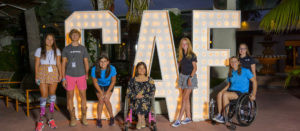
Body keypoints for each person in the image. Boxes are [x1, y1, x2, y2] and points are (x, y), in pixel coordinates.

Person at [212, 56, 257, 123]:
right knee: (220, 94)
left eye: (235, 61)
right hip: (232, 91)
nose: (233, 63)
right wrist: (222, 91)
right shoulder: (231, 72)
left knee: (225, 95)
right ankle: (220, 115)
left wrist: (253, 94)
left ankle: (225, 117)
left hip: (241, 93)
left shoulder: (245, 71)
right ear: (230, 63)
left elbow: (254, 81)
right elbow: (229, 84)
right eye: (231, 62)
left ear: (238, 62)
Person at [61, 29, 89, 126]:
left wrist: (87, 73)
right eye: (73, 35)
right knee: (70, 97)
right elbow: (63, 64)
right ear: (70, 36)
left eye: (76, 35)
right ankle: (72, 118)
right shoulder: (66, 49)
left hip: (81, 75)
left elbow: (86, 62)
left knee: (83, 96)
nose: (75, 36)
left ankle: (84, 117)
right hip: (69, 76)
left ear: (79, 36)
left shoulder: (83, 48)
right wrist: (63, 78)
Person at [35, 34, 62, 131]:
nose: (50, 41)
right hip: (42, 71)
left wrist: (60, 74)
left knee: (52, 95)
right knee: (44, 95)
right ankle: (40, 121)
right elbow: (37, 63)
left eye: (52, 39)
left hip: (54, 71)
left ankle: (51, 119)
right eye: (48, 39)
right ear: (45, 40)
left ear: (54, 41)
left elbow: (59, 63)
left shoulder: (57, 50)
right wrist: (36, 76)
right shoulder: (39, 50)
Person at [172, 37, 198, 127]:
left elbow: (195, 68)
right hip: (183, 77)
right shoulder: (181, 54)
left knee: (183, 98)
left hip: (190, 78)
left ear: (188, 44)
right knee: (186, 99)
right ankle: (188, 117)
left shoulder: (192, 55)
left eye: (186, 43)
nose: (184, 45)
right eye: (182, 43)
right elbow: (179, 64)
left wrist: (190, 78)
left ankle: (179, 120)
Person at [127, 62, 156, 129]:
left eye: (143, 68)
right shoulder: (132, 80)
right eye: (140, 68)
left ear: (146, 69)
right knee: (138, 99)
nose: (142, 69)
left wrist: (144, 96)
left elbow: (153, 91)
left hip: (146, 101)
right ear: (137, 70)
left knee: (142, 99)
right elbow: (128, 91)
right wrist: (135, 96)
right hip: (135, 101)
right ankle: (141, 120)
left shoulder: (150, 80)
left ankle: (140, 120)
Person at [91, 56, 117, 128]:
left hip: (109, 85)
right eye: (101, 61)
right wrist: (101, 93)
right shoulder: (94, 69)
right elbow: (95, 83)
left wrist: (106, 92)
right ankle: (98, 120)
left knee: (106, 99)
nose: (103, 63)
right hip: (98, 85)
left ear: (108, 62)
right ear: (99, 62)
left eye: (105, 61)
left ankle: (112, 118)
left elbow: (113, 82)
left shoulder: (112, 68)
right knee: (101, 100)